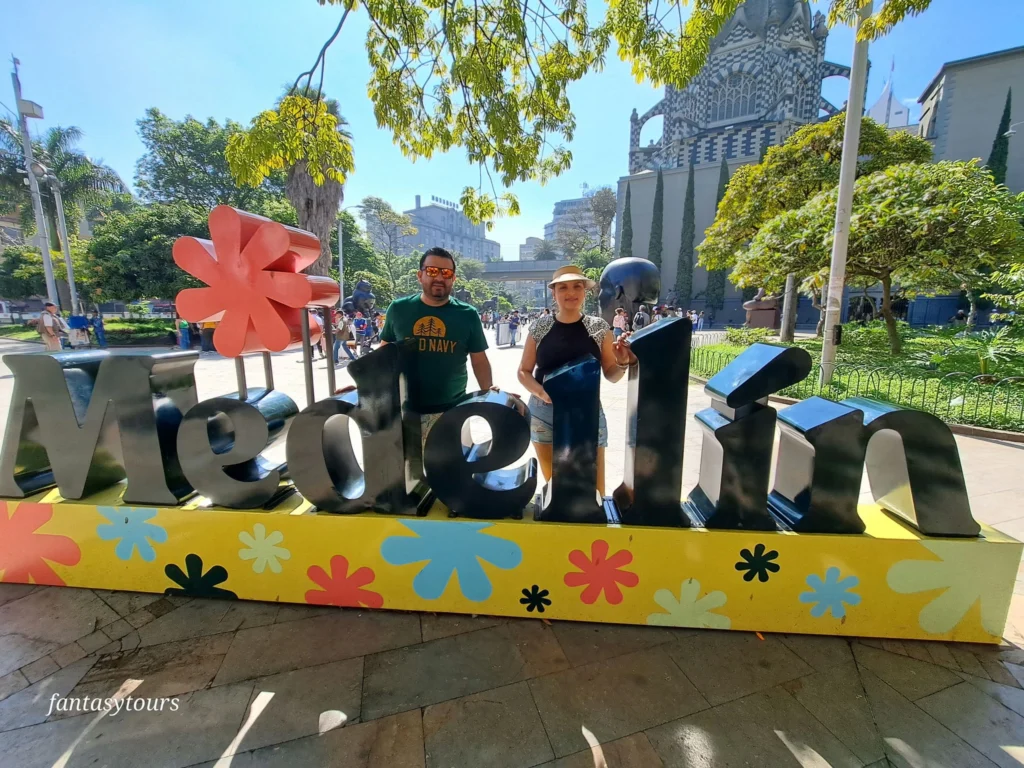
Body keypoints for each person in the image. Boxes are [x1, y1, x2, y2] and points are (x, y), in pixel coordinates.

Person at [517, 265, 635, 496]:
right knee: (555, 485)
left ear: (585, 291)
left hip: (587, 410)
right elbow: (524, 371)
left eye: (577, 286)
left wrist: (623, 363)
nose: (570, 292)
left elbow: (610, 372)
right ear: (554, 293)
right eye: (563, 287)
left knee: (594, 488)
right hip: (545, 411)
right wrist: (542, 393)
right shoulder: (540, 327)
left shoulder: (599, 327)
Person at [379, 247, 493, 441]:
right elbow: (384, 355)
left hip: (452, 411)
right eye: (432, 271)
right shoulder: (399, 309)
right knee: (405, 471)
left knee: (451, 470)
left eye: (446, 273)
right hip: (403, 411)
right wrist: (361, 387)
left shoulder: (468, 314)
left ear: (453, 279)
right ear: (420, 275)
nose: (439, 277)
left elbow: (479, 360)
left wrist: (490, 395)